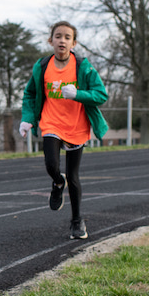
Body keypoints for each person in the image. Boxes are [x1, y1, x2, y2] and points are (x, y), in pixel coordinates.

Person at [20, 21, 108, 240]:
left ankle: (77, 222)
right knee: (52, 165)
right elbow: (30, 94)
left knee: (74, 176)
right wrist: (27, 119)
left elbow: (101, 95)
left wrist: (78, 94)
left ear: (74, 43)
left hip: (77, 126)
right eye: (58, 36)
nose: (62, 40)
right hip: (51, 123)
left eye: (67, 37)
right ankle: (58, 183)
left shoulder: (83, 67)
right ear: (51, 41)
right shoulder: (42, 66)